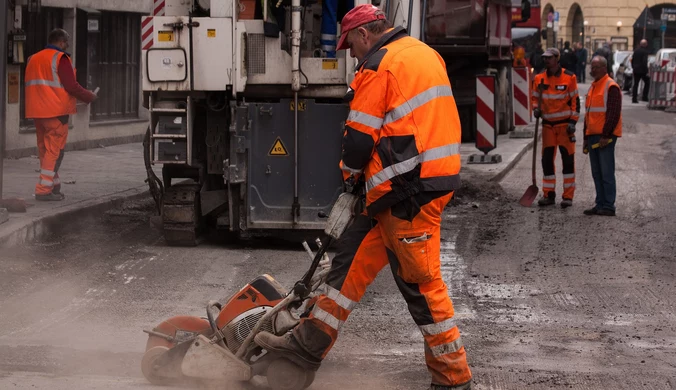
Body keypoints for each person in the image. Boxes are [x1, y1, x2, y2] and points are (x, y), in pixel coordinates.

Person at [254, 4, 472, 390]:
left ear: (365, 35)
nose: (349, 51)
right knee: (346, 267)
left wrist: (349, 182)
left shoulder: (377, 65)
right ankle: (305, 348)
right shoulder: (425, 53)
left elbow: (358, 141)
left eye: (350, 43)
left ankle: (453, 378)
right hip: (407, 185)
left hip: (408, 190)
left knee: (421, 286)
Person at [24, 29, 97, 201]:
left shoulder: (33, 58)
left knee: (45, 150)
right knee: (54, 152)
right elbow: (71, 86)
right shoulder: (60, 58)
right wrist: (89, 96)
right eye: (67, 42)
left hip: (37, 111)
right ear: (61, 42)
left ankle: (53, 184)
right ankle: (43, 190)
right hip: (56, 112)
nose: (68, 45)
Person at [531, 48, 580, 208]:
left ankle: (568, 197)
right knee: (547, 161)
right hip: (548, 127)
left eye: (549, 58)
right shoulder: (539, 78)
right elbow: (534, 98)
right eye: (544, 58)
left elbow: (575, 101)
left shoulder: (569, 77)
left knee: (567, 161)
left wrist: (573, 121)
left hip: (564, 126)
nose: (546, 61)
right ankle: (549, 194)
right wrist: (535, 108)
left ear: (557, 59)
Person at [583, 56, 622, 217]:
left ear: (605, 68)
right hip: (593, 136)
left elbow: (613, 113)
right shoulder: (593, 87)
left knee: (606, 172)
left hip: (605, 137)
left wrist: (606, 135)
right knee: (597, 173)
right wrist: (585, 137)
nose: (593, 70)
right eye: (592, 67)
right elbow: (589, 114)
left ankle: (608, 206)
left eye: (596, 67)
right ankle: (600, 204)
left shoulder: (610, 86)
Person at [631, 39, 651, 103]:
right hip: (642, 70)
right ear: (645, 44)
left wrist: (633, 67)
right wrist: (647, 70)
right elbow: (644, 62)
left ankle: (634, 98)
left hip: (636, 70)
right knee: (647, 82)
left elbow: (633, 60)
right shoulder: (645, 52)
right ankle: (644, 97)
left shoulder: (636, 51)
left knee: (636, 84)